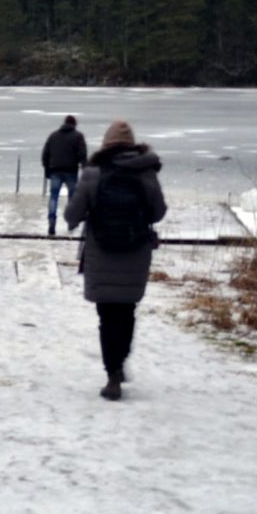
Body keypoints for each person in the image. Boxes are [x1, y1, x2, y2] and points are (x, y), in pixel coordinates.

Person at [63, 119, 167, 401]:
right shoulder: (146, 173)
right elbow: (158, 212)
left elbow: (71, 215)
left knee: (107, 316)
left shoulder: (93, 173)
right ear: (132, 145)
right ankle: (119, 364)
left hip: (102, 252)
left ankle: (112, 376)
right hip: (135, 253)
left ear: (106, 145)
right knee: (127, 312)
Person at [39, 115, 88, 235]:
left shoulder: (53, 136)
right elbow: (82, 154)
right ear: (74, 124)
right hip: (71, 170)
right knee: (72, 198)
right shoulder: (78, 136)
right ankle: (71, 223)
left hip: (55, 170)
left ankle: (51, 220)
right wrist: (84, 167)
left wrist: (47, 169)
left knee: (54, 197)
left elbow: (45, 153)